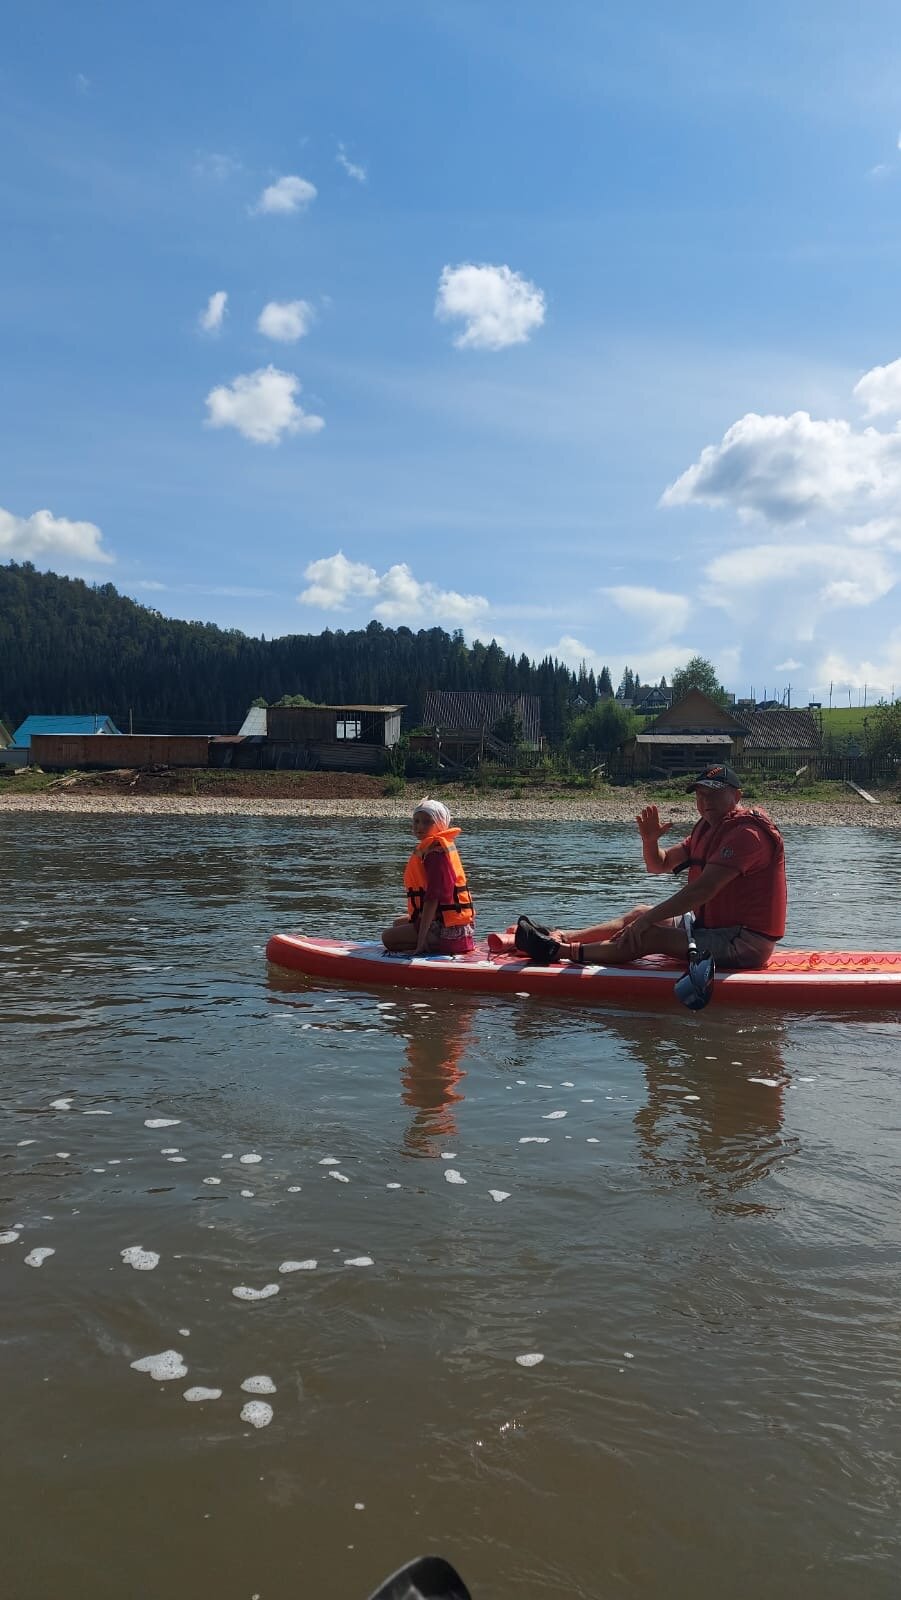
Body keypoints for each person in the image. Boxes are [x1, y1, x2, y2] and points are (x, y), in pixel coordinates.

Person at [516, 763, 786, 970]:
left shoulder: (748, 835)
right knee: (640, 913)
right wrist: (650, 841)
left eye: (714, 794)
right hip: (708, 928)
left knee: (648, 933)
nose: (705, 803)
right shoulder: (708, 829)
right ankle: (564, 936)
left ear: (737, 795)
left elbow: (701, 891)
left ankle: (558, 952)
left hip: (745, 942)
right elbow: (660, 864)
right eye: (700, 795)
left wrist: (646, 923)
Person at [381, 797, 476, 956]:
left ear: (440, 824)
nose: (419, 826)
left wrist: (421, 940)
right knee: (397, 923)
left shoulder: (436, 854)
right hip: (445, 921)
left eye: (427, 822)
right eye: (416, 821)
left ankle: (430, 944)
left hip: (450, 933)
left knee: (387, 938)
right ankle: (428, 939)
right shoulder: (432, 847)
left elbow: (432, 899)